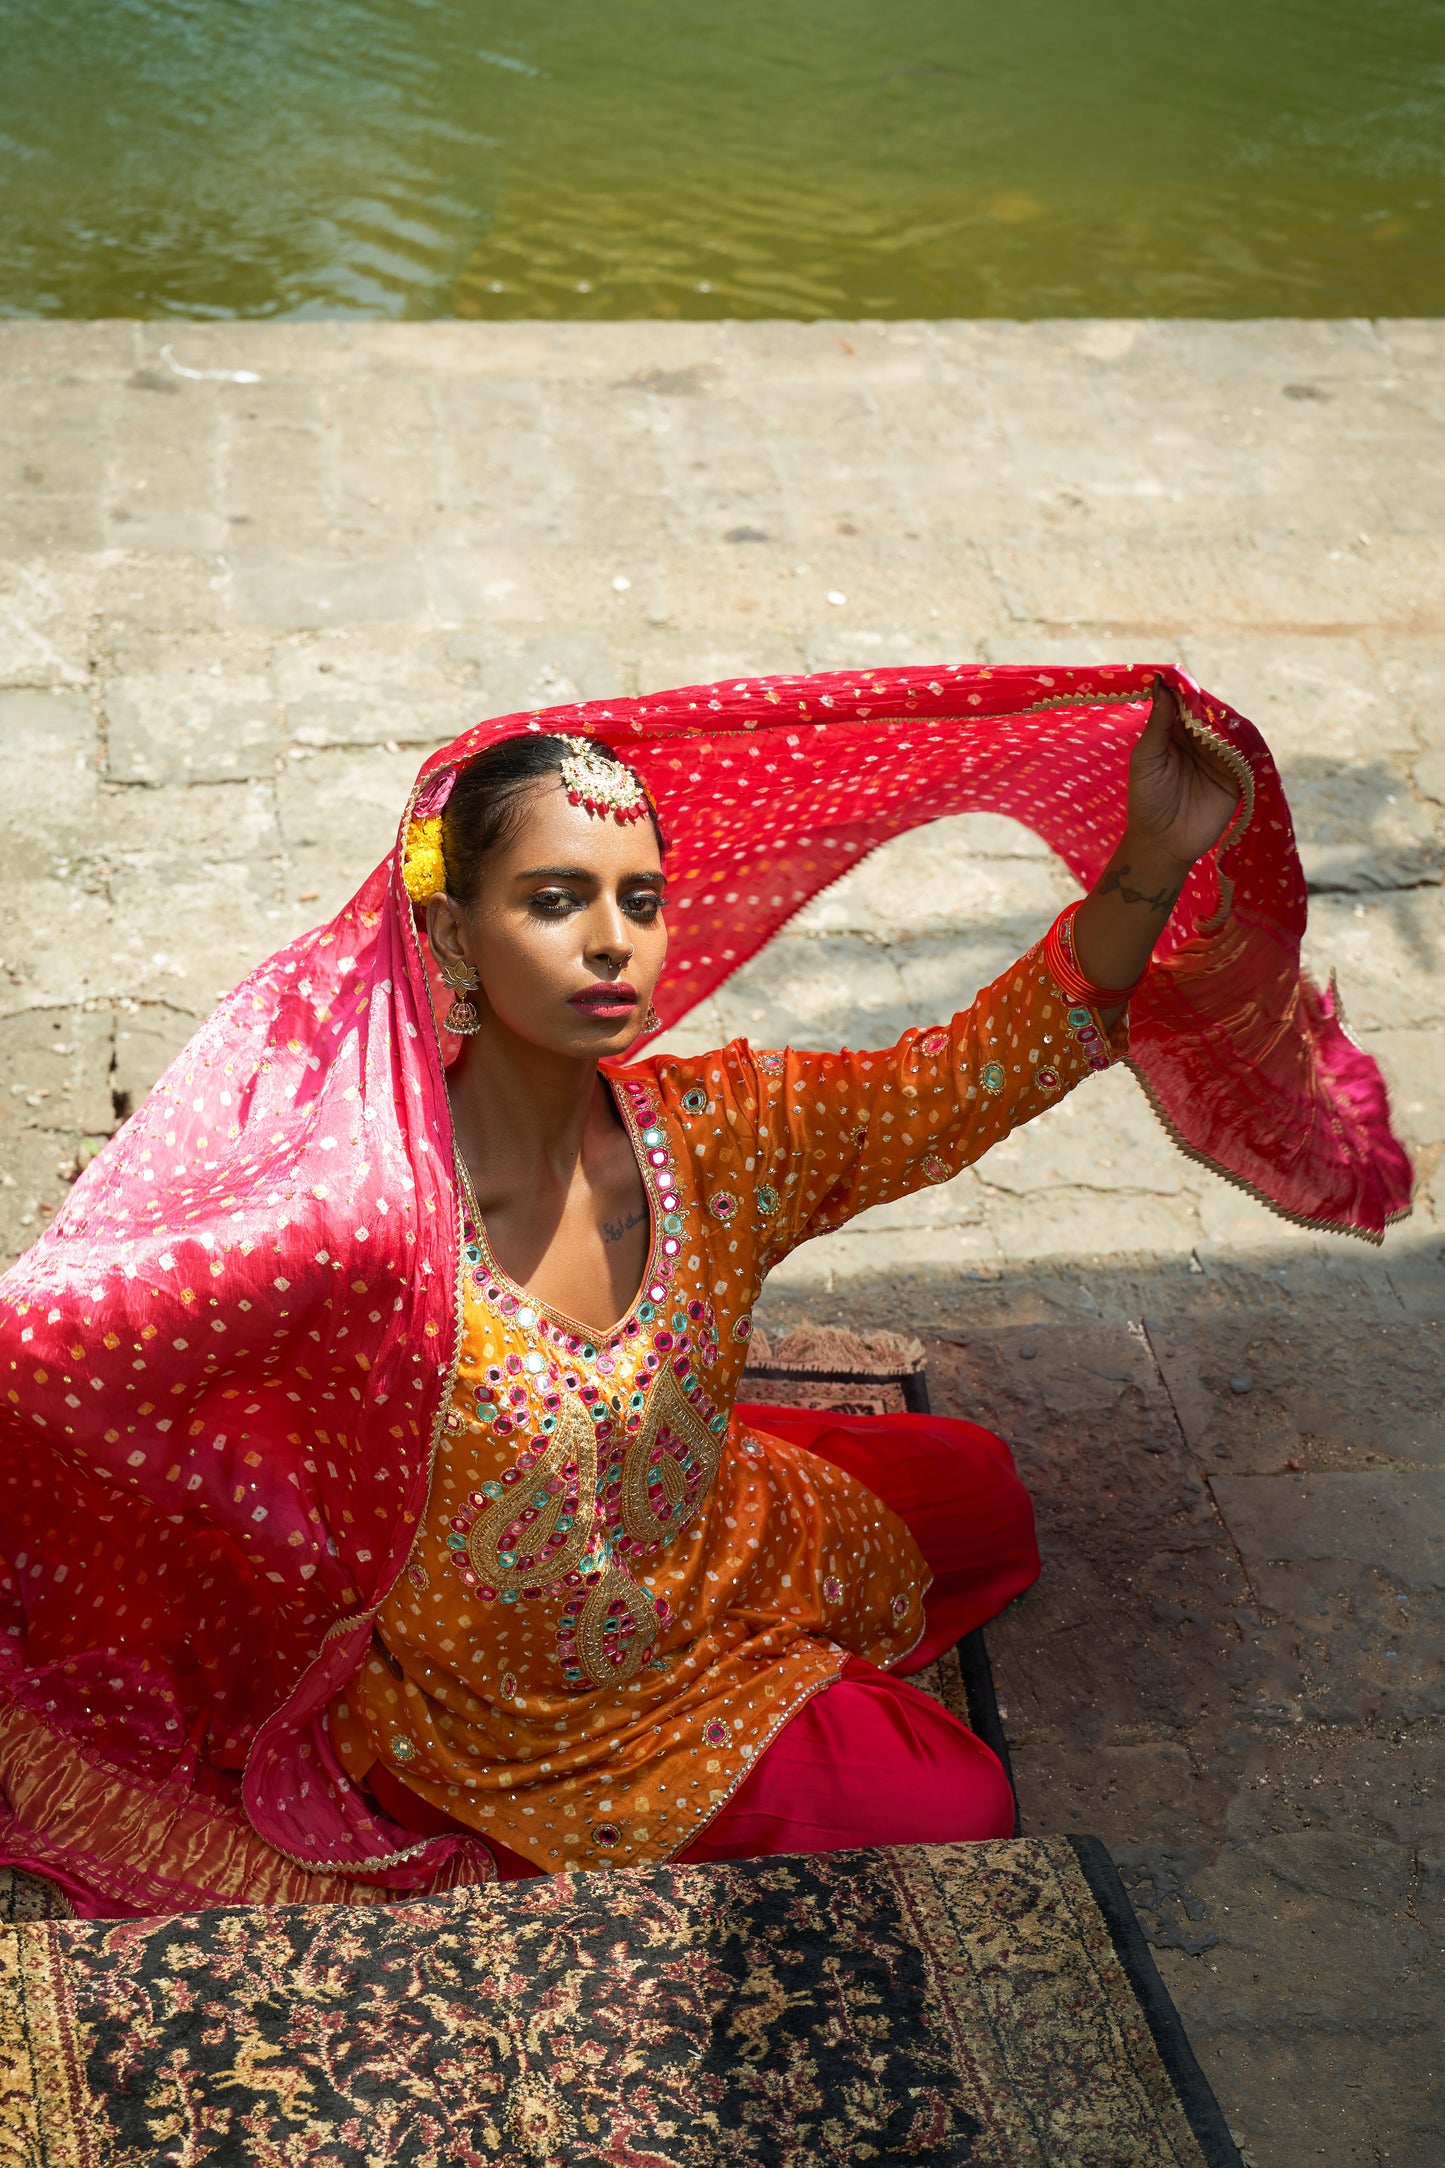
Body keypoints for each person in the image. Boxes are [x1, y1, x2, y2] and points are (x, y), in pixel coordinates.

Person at [0, 664, 1408, 1917]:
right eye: (554, 902)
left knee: (982, 1495)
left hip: (702, 1544)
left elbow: (962, 1080)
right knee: (960, 1806)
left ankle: (745, 1555)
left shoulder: (715, 1134)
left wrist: (1152, 859)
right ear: (447, 935)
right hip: (524, 1717)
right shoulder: (363, 1223)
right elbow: (60, 1338)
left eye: (638, 901)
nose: (611, 941)